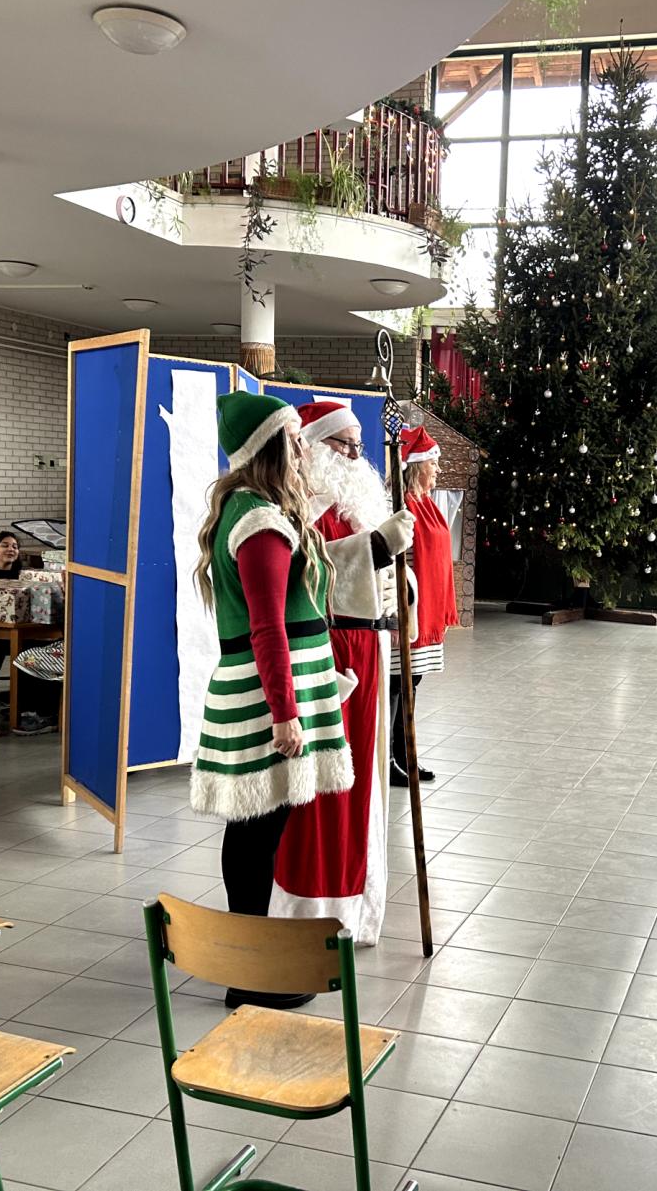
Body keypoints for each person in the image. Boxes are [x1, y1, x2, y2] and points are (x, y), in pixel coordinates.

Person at [190, 391, 353, 1010]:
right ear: (273, 447)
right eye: (295, 440)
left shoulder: (253, 508)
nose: (304, 450)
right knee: (256, 833)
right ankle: (250, 975)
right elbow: (267, 627)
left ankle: (250, 964)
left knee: (258, 828)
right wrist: (285, 712)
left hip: (269, 687)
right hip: (266, 696)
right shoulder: (257, 520)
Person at [271, 401, 414, 946]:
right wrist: (375, 548)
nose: (355, 455)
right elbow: (303, 572)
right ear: (312, 446)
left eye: (358, 444)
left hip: (368, 651)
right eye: (344, 444)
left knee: (361, 786)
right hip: (326, 653)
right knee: (325, 788)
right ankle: (312, 914)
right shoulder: (297, 507)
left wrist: (403, 582)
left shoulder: (357, 503)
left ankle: (354, 909)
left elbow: (380, 571)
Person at [389, 426, 457, 788]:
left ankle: (405, 755)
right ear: (417, 466)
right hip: (409, 612)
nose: (438, 469)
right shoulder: (399, 506)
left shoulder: (427, 504)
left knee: (410, 685)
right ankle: (391, 759)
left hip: (427, 613)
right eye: (433, 463)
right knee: (397, 686)